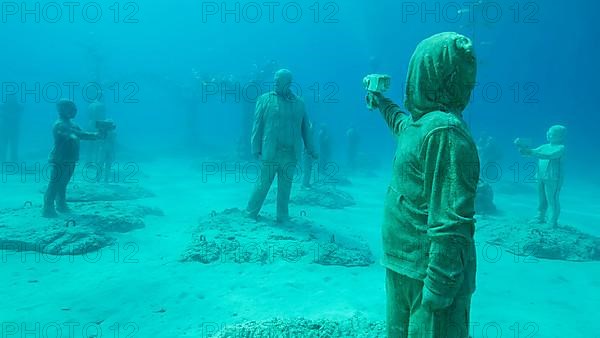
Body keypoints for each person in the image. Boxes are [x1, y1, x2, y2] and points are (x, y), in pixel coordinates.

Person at [371, 32, 479, 337]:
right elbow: (401, 125)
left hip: (428, 275)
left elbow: (452, 219)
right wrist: (381, 102)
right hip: (403, 265)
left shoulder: (445, 133)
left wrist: (440, 284)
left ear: (427, 71)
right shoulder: (421, 126)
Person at [246, 69, 317, 222]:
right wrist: (255, 148)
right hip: (271, 151)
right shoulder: (264, 99)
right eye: (275, 79)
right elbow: (257, 125)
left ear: (289, 82)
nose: (275, 81)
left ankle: (282, 216)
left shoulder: (299, 103)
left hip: (291, 153)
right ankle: (251, 213)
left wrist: (311, 149)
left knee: (286, 187)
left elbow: (306, 128)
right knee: (262, 184)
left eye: (279, 79)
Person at [42, 99, 104, 218]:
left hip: (71, 158)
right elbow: (75, 134)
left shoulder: (73, 124)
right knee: (54, 184)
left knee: (63, 183)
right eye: (70, 108)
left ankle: (61, 204)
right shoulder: (59, 124)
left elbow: (81, 134)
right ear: (61, 109)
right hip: (59, 158)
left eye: (74, 108)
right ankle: (48, 207)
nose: (74, 110)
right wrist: (95, 135)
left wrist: (97, 135)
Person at [514, 125, 566, 227]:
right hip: (540, 176)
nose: (549, 135)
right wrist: (521, 147)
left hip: (553, 178)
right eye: (549, 133)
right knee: (541, 198)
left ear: (561, 137)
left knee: (552, 199)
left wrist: (531, 152)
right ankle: (540, 216)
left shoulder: (561, 148)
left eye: (552, 134)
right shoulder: (544, 146)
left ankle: (552, 221)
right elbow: (531, 153)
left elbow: (549, 155)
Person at [0, 95, 24, 163]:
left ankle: (4, 160)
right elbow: (22, 107)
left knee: (7, 145)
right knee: (11, 145)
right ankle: (11, 160)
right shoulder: (18, 106)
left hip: (7, 130)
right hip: (11, 130)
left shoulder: (4, 106)